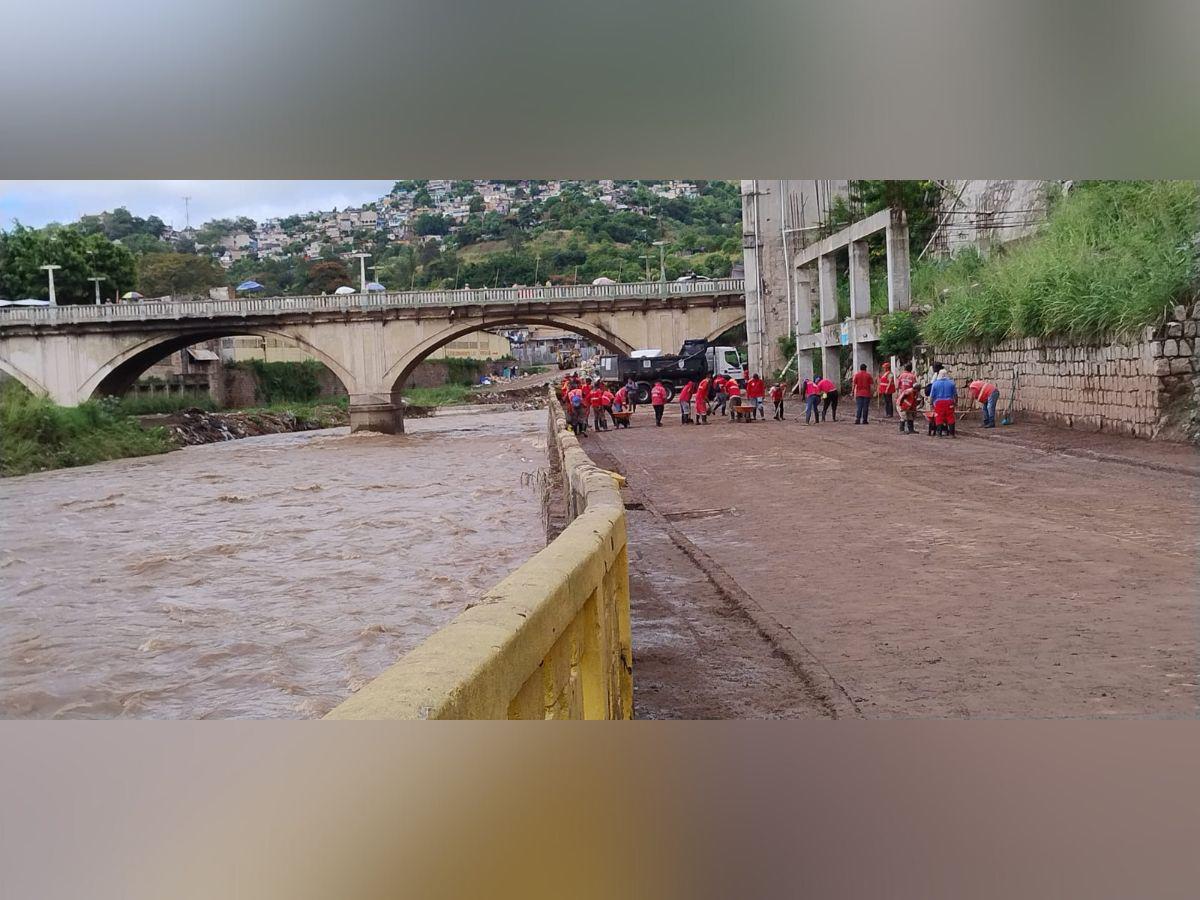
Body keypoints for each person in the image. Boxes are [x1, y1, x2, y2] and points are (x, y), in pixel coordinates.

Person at [928, 368, 958, 437]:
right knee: (950, 417)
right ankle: (952, 434)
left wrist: (931, 403)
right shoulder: (951, 383)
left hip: (938, 403)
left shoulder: (935, 384)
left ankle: (939, 433)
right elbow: (955, 395)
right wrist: (956, 402)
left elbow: (932, 396)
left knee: (939, 417)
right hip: (949, 402)